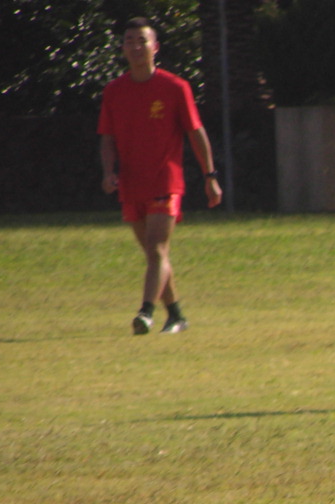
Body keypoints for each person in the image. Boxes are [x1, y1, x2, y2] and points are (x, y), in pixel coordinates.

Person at [99, 17, 221, 335]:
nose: (136, 47)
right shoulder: (114, 91)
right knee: (156, 256)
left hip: (165, 181)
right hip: (131, 183)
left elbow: (196, 132)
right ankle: (177, 314)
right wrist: (109, 172)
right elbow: (107, 138)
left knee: (156, 250)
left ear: (155, 47)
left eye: (142, 40)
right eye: (129, 40)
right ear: (123, 48)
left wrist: (210, 175)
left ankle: (146, 313)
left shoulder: (175, 87)